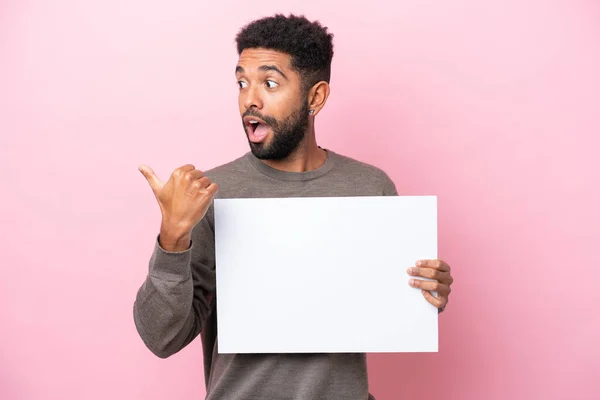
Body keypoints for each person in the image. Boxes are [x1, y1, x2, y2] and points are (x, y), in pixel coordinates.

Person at [134, 13, 454, 400]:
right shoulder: (210, 195)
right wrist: (173, 235)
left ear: (315, 97)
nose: (249, 99)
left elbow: (390, 307)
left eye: (269, 83)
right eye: (241, 82)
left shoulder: (370, 187)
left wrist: (427, 292)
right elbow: (161, 337)